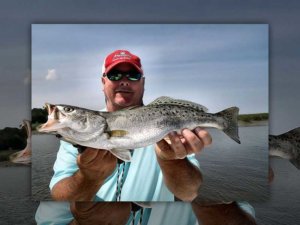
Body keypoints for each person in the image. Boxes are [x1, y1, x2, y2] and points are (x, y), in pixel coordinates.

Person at [35, 50, 256, 225]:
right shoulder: (72, 139)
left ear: (143, 81)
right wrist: (87, 178)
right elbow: (58, 197)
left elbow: (189, 190)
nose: (123, 80)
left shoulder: (171, 139)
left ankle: (221, 120)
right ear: (103, 82)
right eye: (114, 75)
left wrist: (173, 160)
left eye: (132, 75)